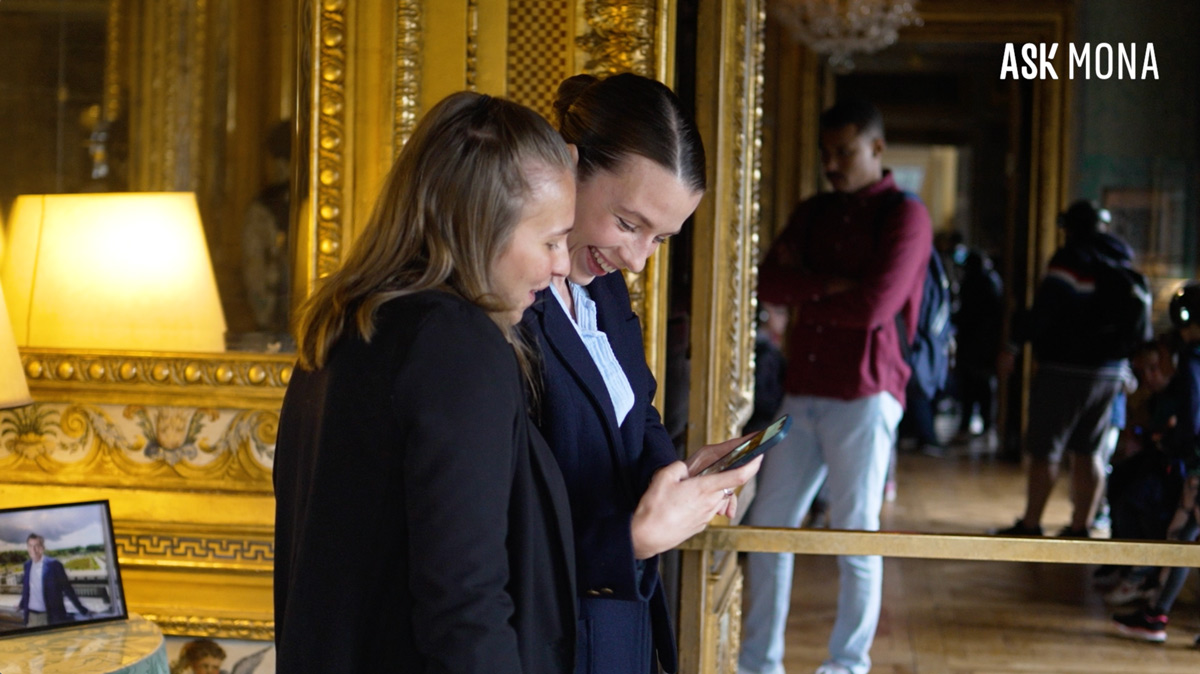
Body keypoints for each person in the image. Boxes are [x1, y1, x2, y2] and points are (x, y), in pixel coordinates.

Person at [273, 91, 578, 673]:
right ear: (481, 226)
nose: (561, 265)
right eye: (549, 241)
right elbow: (465, 605)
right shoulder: (456, 346)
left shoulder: (340, 328)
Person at [522, 72, 761, 674]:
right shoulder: (506, 305)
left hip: (623, 626)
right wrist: (631, 540)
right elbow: (496, 524)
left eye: (661, 238)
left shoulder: (604, 289)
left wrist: (683, 478)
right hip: (550, 639)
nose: (637, 259)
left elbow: (638, 412)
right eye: (628, 224)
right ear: (568, 168)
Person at [740, 98, 932, 674]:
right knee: (770, 527)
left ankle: (848, 665)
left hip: (869, 389)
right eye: (826, 153)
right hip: (805, 386)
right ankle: (757, 664)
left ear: (876, 148)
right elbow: (768, 280)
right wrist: (828, 286)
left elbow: (876, 305)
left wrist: (810, 293)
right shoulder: (814, 211)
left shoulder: (906, 215)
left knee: (855, 534)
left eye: (843, 152)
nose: (832, 164)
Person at [995, 200, 1138, 538]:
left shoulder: (1070, 259)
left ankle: (1031, 524)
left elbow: (1046, 310)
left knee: (1046, 449)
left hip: (1065, 369)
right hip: (1111, 371)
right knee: (1090, 451)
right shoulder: (1121, 260)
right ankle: (1081, 527)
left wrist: (1014, 344)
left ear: (1069, 228)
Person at [1111, 282, 1200, 645]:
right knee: (1183, 537)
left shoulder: (1193, 358)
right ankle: (1156, 614)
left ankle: (1156, 614)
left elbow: (1193, 419)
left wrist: (1173, 443)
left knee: (1183, 536)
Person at [18, 533, 90, 627]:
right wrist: (21, 605)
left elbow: (67, 589)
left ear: (43, 547)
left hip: (50, 618)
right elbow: (27, 589)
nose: (33, 550)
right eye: (30, 546)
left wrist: (82, 610)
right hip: (31, 617)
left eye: (37, 546)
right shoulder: (27, 565)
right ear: (27, 548)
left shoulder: (54, 565)